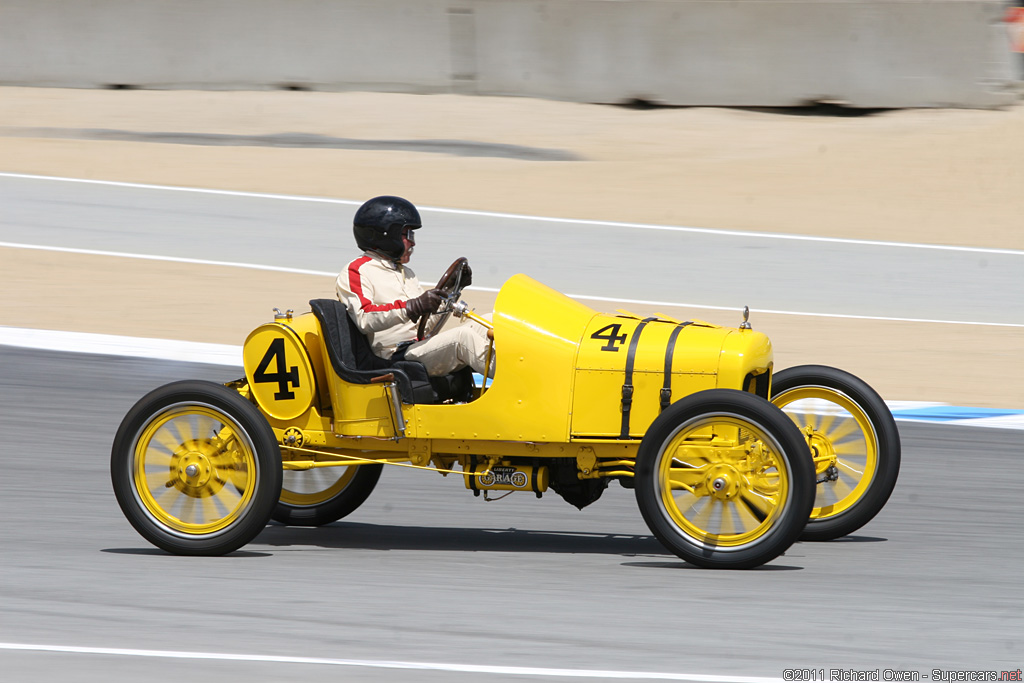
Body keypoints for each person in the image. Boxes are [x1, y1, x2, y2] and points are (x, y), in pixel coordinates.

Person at [336, 195, 495, 379]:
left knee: (491, 320)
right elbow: (364, 318)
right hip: (393, 356)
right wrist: (413, 306)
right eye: (407, 235)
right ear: (386, 234)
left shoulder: (406, 273)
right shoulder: (358, 270)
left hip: (417, 346)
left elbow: (425, 328)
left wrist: (451, 291)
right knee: (464, 339)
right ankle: (519, 383)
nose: (413, 242)